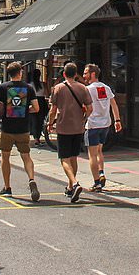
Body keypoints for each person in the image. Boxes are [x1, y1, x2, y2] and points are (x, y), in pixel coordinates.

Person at [0, 62, 40, 201]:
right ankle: (31, 179)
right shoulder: (28, 88)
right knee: (26, 156)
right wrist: (26, 110)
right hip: (23, 129)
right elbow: (36, 108)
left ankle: (7, 187)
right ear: (20, 72)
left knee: (5, 157)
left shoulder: (3, 87)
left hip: (7, 128)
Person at [47, 62, 91, 202]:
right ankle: (70, 187)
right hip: (78, 127)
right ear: (76, 74)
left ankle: (75, 182)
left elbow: (53, 109)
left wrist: (50, 123)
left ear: (64, 74)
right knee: (73, 157)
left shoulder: (58, 88)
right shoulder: (83, 88)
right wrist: (84, 119)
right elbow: (90, 108)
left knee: (64, 158)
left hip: (63, 127)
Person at [83, 64, 121, 192]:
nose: (84, 75)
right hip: (105, 124)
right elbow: (114, 104)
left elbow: (84, 107)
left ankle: (96, 183)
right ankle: (101, 173)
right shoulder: (106, 88)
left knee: (92, 155)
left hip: (93, 124)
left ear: (93, 74)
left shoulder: (88, 89)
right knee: (99, 151)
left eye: (86, 73)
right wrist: (117, 120)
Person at [30, 69, 49, 143]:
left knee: (34, 120)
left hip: (33, 101)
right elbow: (47, 93)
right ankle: (38, 136)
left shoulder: (30, 85)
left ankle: (35, 138)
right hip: (41, 101)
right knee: (40, 120)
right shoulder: (43, 84)